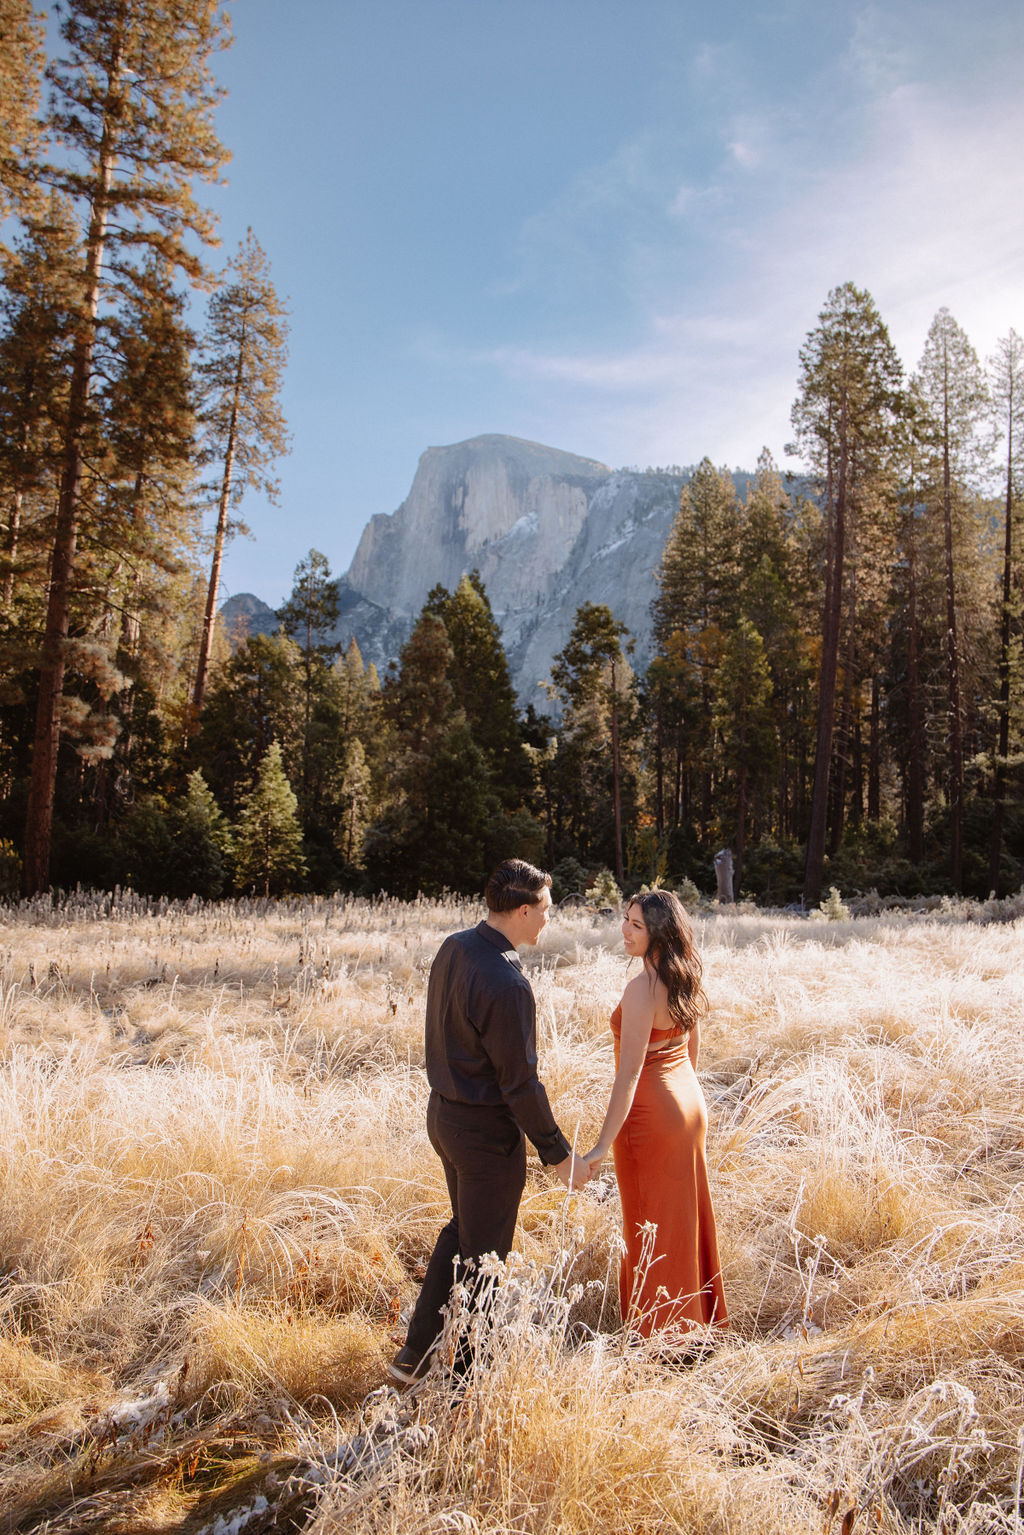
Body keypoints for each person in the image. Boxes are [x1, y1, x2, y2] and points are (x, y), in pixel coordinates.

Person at [389, 858, 590, 1386]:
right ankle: (466, 1381)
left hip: (444, 1119)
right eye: (545, 909)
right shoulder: (507, 983)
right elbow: (520, 1084)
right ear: (523, 911)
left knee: (462, 1234)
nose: (548, 919)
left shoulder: (456, 947)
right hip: (483, 1138)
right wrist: (559, 1154)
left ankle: (413, 1355)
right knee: (485, 1259)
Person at [582, 890, 727, 1340]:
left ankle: (657, 1338)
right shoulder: (683, 976)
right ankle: (693, 1325)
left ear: (659, 931)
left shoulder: (642, 988)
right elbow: (691, 1048)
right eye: (625, 920)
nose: (625, 930)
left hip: (650, 1115)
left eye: (636, 925)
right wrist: (681, 1095)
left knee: (647, 1221)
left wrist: (600, 1146)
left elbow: (627, 1076)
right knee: (684, 1218)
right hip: (687, 1103)